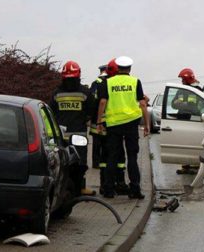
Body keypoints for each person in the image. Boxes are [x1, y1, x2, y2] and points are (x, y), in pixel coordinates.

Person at [96, 56, 150, 199]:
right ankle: (135, 190)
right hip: (132, 123)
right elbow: (143, 104)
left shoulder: (107, 82)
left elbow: (102, 102)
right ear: (130, 68)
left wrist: (99, 122)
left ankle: (108, 190)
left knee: (112, 156)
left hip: (113, 124)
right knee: (132, 156)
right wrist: (147, 125)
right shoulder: (135, 82)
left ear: (118, 68)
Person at [49, 60, 95, 196]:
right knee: (80, 163)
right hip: (78, 135)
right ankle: (79, 188)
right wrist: (84, 119)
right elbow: (92, 110)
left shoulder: (57, 93)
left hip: (61, 135)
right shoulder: (85, 92)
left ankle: (65, 188)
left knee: (64, 163)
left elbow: (51, 111)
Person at [89, 63, 129, 195]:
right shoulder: (111, 84)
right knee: (117, 155)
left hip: (104, 124)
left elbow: (96, 103)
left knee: (105, 156)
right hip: (113, 125)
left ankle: (105, 185)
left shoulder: (100, 83)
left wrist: (96, 121)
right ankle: (119, 183)